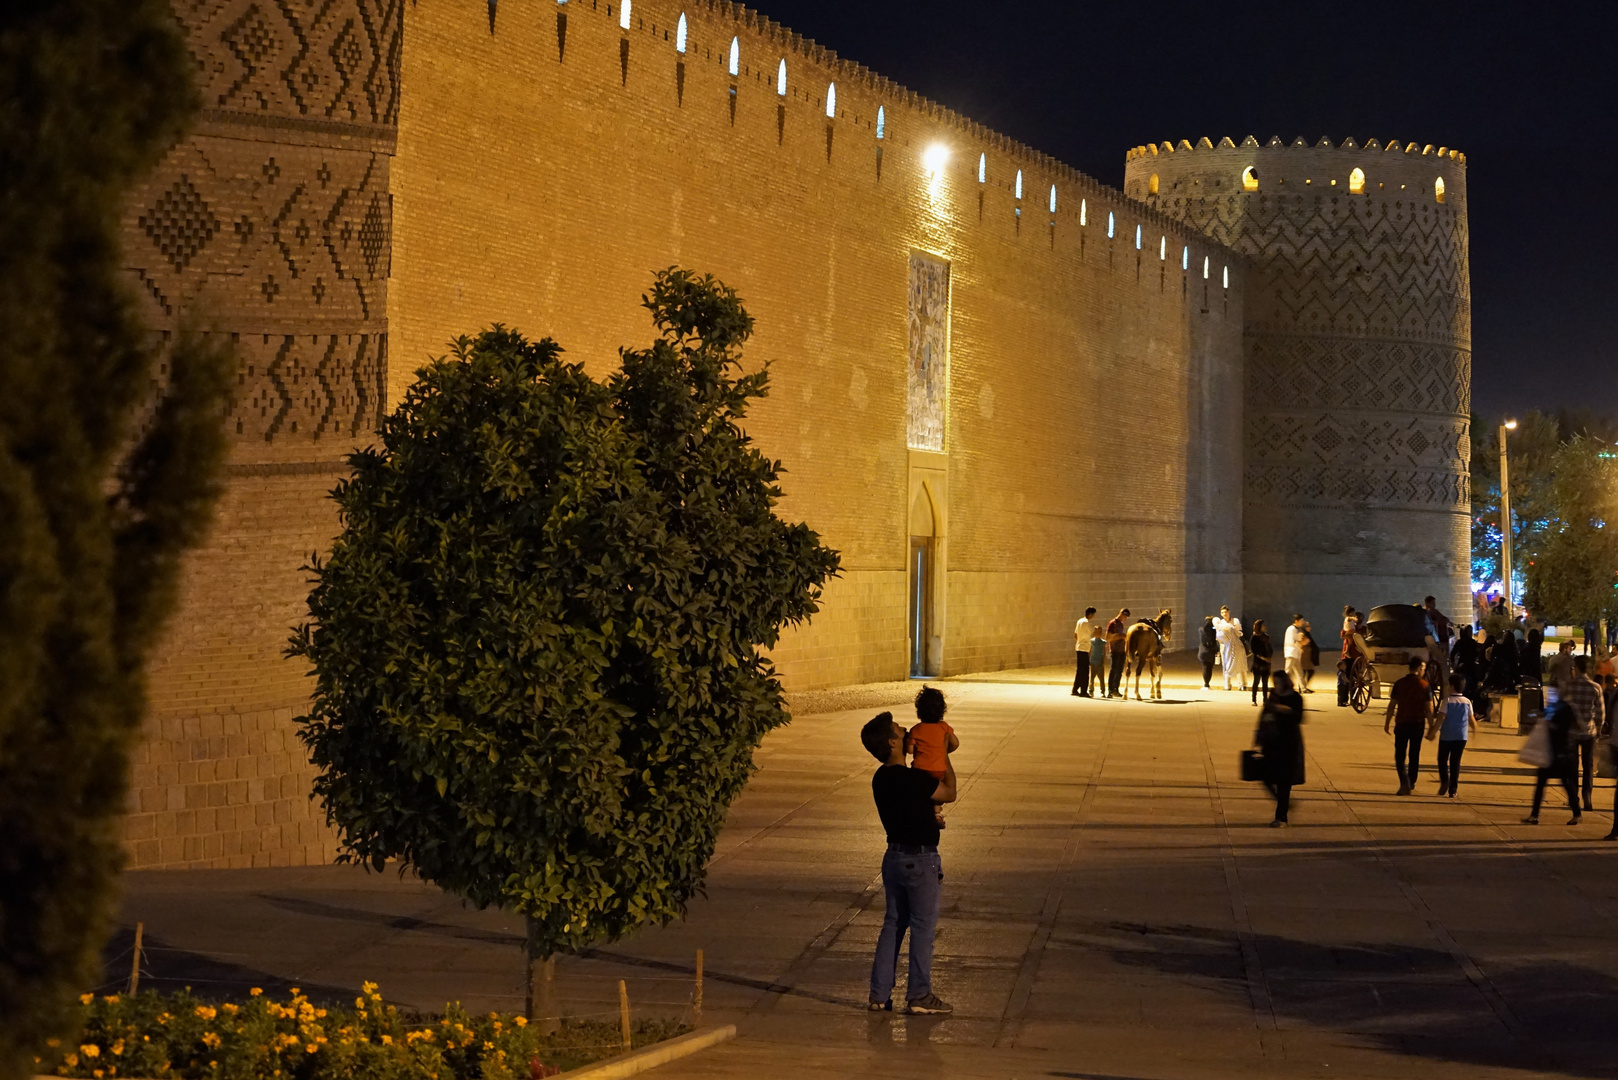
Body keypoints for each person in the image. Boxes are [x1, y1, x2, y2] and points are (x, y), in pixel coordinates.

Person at [862, 700, 957, 1015]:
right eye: (899, 730)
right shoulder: (913, 779)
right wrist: (942, 751)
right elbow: (948, 791)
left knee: (893, 923)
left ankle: (878, 994)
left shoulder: (880, 778)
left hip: (893, 858)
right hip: (921, 860)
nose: (904, 731)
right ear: (892, 743)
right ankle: (919, 994)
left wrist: (929, 819)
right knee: (922, 926)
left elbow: (908, 812)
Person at [905, 686, 959, 829]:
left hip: (920, 769)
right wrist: (943, 751)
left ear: (919, 711)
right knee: (937, 787)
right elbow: (955, 743)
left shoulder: (916, 729)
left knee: (921, 790)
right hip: (939, 768)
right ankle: (936, 813)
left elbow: (910, 751)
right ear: (942, 710)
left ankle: (924, 812)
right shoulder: (944, 727)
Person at [1256, 671, 1306, 826]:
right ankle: (1282, 801)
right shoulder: (1273, 695)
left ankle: (1281, 817)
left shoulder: (1295, 697)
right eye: (1274, 683)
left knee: (1284, 782)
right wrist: (1258, 735)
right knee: (1265, 776)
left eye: (1278, 683)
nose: (1276, 686)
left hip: (1288, 743)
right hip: (1271, 742)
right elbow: (1264, 716)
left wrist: (1281, 709)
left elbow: (1299, 718)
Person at [1525, 694, 1581, 826]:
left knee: (1542, 784)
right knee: (1566, 785)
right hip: (1563, 753)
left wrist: (1547, 723)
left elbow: (1556, 728)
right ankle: (1577, 813)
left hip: (1555, 754)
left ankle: (1535, 815)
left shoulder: (1559, 709)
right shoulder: (1568, 708)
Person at [1563, 655, 1607, 813]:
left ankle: (1573, 798)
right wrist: (1599, 730)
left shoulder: (1569, 686)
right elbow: (1601, 714)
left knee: (1572, 766)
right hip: (1589, 732)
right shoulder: (1595, 687)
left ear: (1576, 668)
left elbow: (1562, 710)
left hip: (1572, 732)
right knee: (1588, 766)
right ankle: (1587, 797)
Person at [1384, 658, 1431, 796]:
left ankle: (1404, 781)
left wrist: (1387, 722)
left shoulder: (1399, 683)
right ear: (1418, 669)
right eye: (1423, 668)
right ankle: (1411, 781)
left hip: (1402, 722)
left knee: (1399, 755)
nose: (1424, 671)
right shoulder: (1424, 685)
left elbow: (1392, 704)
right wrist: (1432, 727)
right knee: (1414, 754)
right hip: (1417, 723)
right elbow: (1429, 708)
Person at [1431, 673, 1476, 797]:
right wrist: (1474, 731)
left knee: (1442, 760)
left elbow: (1441, 717)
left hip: (1446, 736)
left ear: (1451, 686)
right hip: (1461, 737)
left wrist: (1433, 732)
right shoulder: (1467, 702)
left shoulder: (1447, 701)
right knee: (1455, 762)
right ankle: (1453, 789)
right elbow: (1471, 719)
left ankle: (1445, 781)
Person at [1214, 606, 1246, 692]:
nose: (1224, 614)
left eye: (1226, 612)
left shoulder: (1235, 621)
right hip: (1224, 646)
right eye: (1222, 612)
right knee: (1226, 665)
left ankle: (1242, 684)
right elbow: (1218, 635)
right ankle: (1227, 684)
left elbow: (1239, 633)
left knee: (1238, 664)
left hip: (1235, 646)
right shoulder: (1220, 623)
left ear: (1229, 612)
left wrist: (1231, 630)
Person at [1106, 608, 1131, 699]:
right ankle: (1110, 690)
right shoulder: (1113, 623)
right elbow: (1108, 637)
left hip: (1121, 650)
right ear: (1121, 614)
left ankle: (1116, 689)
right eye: (1125, 616)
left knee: (1119, 671)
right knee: (1113, 670)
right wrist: (1121, 636)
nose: (1125, 618)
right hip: (1115, 650)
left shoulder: (1121, 624)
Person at [1450, 625, 1480, 697]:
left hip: (1464, 665)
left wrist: (1453, 664)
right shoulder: (1473, 643)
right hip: (1468, 666)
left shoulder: (1461, 642)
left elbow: (1453, 654)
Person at [1073, 607, 1097, 697]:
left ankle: (1075, 689)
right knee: (1085, 671)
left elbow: (1075, 634)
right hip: (1084, 648)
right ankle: (1083, 691)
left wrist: (1079, 642)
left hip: (1079, 647)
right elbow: (1092, 634)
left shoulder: (1079, 621)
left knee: (1079, 670)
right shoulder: (1086, 623)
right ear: (1090, 614)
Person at [1250, 620, 1273, 705]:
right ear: (1258, 627)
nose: (1265, 627)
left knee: (1265, 682)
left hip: (1266, 663)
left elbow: (1270, 648)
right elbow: (1254, 650)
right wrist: (1263, 658)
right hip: (1258, 663)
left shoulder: (1266, 637)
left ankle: (1265, 700)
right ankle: (1254, 699)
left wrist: (1269, 657)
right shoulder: (1254, 637)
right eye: (1263, 625)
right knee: (1256, 681)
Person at [1283, 614, 1307, 693]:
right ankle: (1284, 686)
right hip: (1291, 653)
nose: (1302, 622)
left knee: (1299, 672)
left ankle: (1303, 688)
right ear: (1296, 621)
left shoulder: (1296, 629)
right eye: (1301, 621)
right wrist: (1300, 643)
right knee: (1288, 671)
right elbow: (1292, 642)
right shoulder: (1291, 629)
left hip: (1295, 653)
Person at [1197, 616, 1218, 689]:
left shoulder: (1201, 630)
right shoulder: (1213, 630)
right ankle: (1207, 684)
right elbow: (1215, 634)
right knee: (1209, 669)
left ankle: (1206, 684)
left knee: (1205, 668)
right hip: (1210, 652)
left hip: (1202, 652)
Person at [1088, 619, 1108, 697]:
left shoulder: (1103, 642)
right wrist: (1089, 660)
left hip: (1099, 662)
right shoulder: (1091, 641)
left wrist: (1103, 661)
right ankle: (1091, 690)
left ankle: (1103, 691)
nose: (1098, 634)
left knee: (1101, 678)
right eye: (1096, 632)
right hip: (1093, 661)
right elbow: (1090, 651)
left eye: (1099, 632)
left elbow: (1104, 652)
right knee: (1092, 677)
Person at [1303, 620, 1320, 692]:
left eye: (1309, 626)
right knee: (1306, 671)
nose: (1309, 627)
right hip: (1305, 655)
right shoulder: (1303, 634)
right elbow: (1301, 643)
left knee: (1308, 671)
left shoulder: (1307, 634)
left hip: (1308, 656)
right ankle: (1303, 687)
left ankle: (1304, 686)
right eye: (1307, 626)